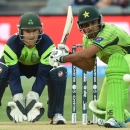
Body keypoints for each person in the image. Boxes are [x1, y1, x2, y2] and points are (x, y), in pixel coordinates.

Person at [49, 5, 130, 128]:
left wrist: (63, 58)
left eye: (93, 23)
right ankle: (122, 114)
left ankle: (116, 118)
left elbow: (85, 54)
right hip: (116, 71)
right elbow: (88, 65)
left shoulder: (108, 31)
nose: (90, 27)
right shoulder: (86, 40)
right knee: (102, 107)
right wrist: (69, 56)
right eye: (86, 25)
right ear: (81, 27)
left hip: (124, 61)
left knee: (116, 59)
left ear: (99, 21)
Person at [0, 12, 67, 124]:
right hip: (18, 67)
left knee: (59, 72)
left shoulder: (47, 44)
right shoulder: (11, 44)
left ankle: (56, 114)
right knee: (1, 70)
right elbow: (13, 75)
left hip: (38, 68)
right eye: (27, 31)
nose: (31, 35)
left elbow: (42, 74)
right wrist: (18, 98)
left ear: (39, 30)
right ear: (20, 31)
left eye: (34, 31)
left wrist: (33, 96)